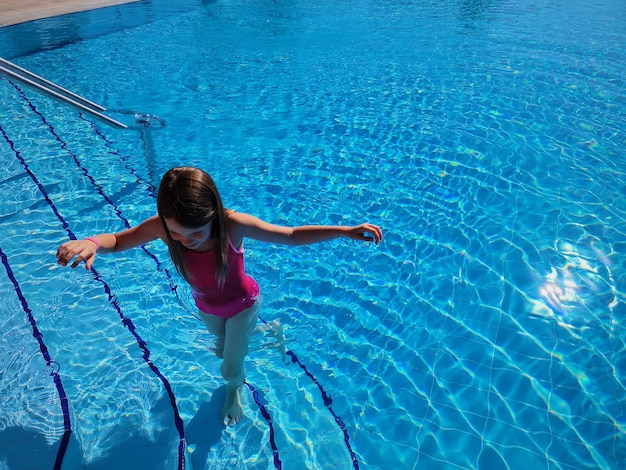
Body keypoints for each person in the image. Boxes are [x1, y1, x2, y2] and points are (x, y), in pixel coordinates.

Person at [56, 166, 382, 425]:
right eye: (177, 234)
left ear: (213, 213)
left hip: (243, 305)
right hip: (207, 308)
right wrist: (93, 242)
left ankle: (233, 392)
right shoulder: (162, 227)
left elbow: (291, 235)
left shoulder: (233, 225)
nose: (186, 241)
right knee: (221, 348)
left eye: (196, 232)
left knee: (229, 363)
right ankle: (272, 331)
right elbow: (120, 239)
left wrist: (344, 231)